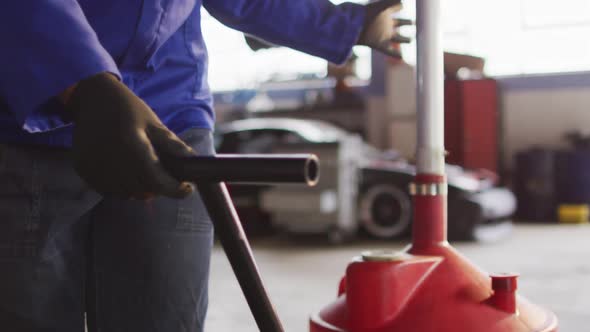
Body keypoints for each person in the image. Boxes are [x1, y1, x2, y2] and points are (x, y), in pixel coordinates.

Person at [0, 0, 408, 331]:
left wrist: (341, 26)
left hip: (171, 122)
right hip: (28, 116)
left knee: (163, 314)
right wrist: (83, 83)